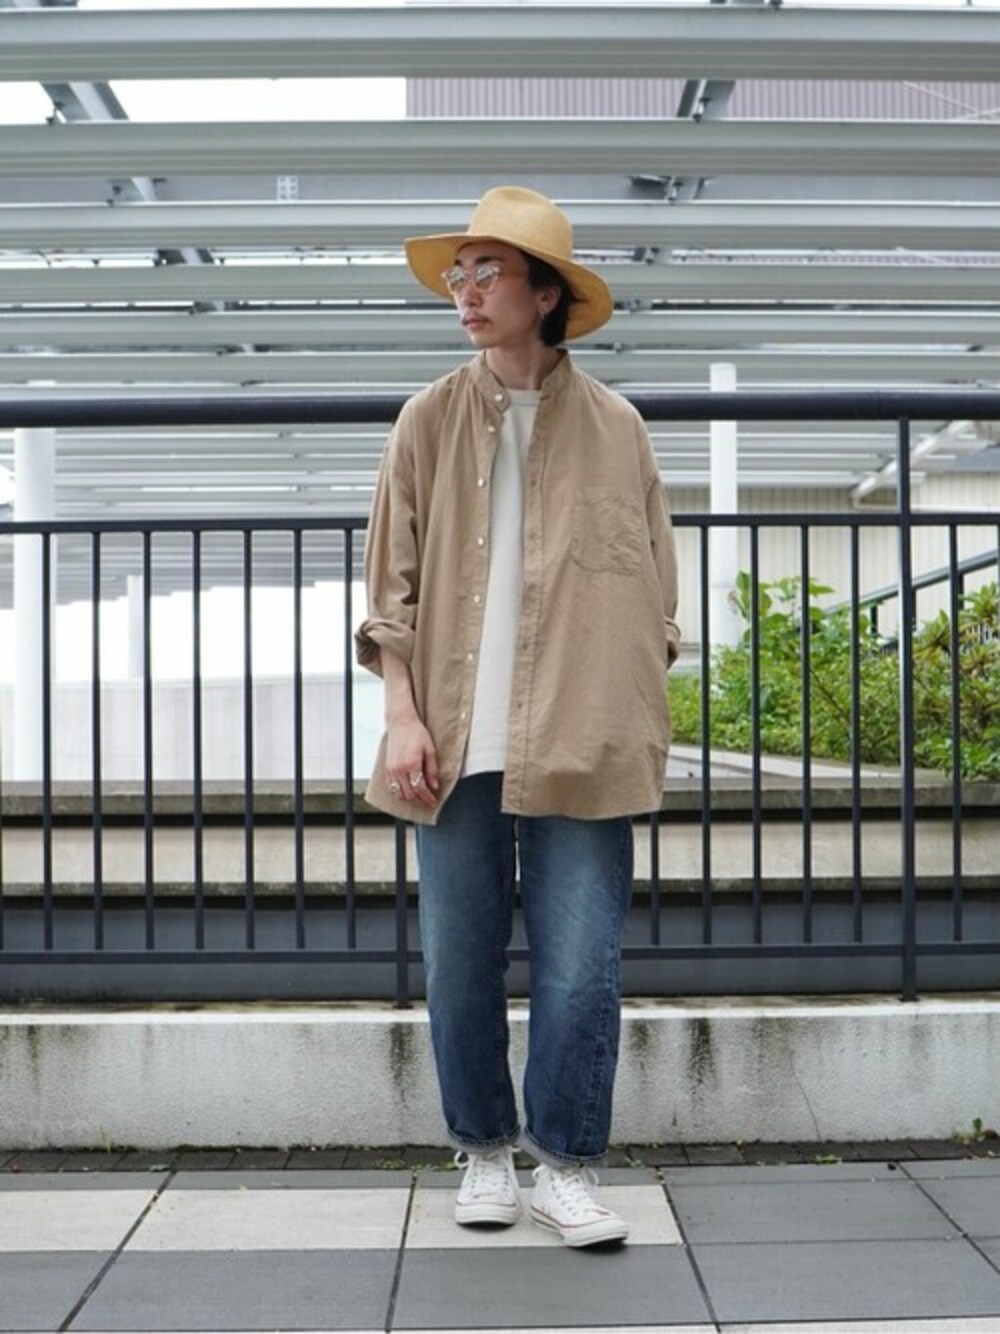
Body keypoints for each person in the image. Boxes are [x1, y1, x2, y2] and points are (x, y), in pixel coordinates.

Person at [355, 186, 680, 1248]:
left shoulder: (619, 429)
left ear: (545, 295)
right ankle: (485, 1150)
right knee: (459, 965)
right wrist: (402, 714)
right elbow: (388, 593)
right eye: (458, 274)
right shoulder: (426, 419)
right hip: (452, 744)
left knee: (582, 970)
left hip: (585, 736)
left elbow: (657, 597)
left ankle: (568, 1167)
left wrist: (629, 702)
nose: (465, 291)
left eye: (487, 272)